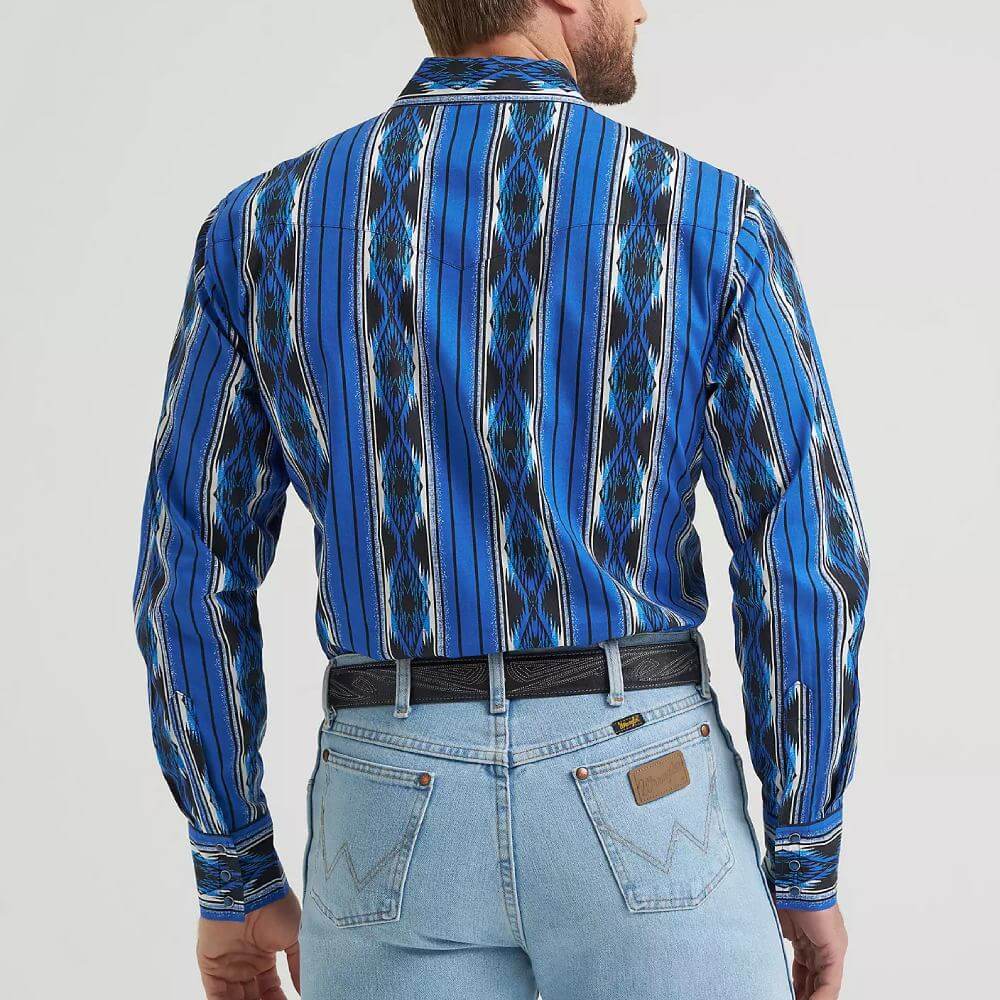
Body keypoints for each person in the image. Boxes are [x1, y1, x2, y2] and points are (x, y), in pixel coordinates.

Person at [132, 1, 869, 997]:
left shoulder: (265, 227)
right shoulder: (703, 215)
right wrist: (805, 851)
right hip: (643, 782)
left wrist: (234, 871)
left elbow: (185, 572)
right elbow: (807, 558)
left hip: (388, 795)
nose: (641, 5)